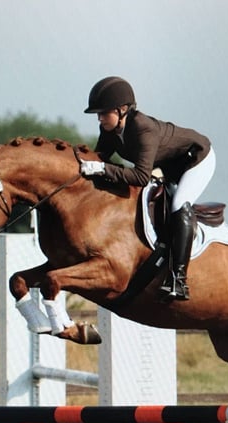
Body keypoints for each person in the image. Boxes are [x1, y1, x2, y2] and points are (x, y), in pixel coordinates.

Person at [80, 76, 216, 302]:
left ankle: (179, 279)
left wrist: (103, 169)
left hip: (196, 159)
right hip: (169, 165)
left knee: (178, 203)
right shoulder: (109, 129)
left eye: (104, 112)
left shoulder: (143, 128)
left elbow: (141, 176)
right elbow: (100, 157)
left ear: (122, 109)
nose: (100, 118)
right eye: (98, 113)